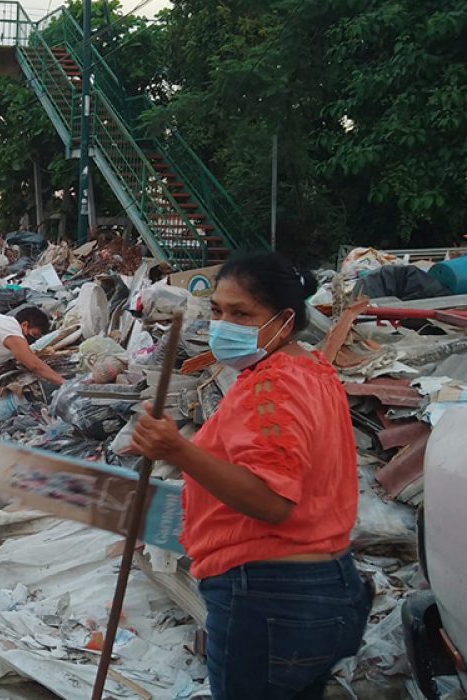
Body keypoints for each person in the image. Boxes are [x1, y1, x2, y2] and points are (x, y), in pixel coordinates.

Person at [130, 252, 371, 699]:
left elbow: (271, 501)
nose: (225, 324)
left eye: (242, 313)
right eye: (218, 310)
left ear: (284, 319)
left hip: (270, 595)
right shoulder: (312, 370)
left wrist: (176, 449)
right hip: (326, 585)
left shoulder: (272, 386)